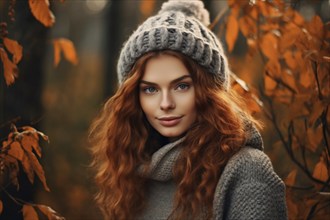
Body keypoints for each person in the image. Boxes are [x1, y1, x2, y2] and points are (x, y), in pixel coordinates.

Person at [89, 0, 288, 219]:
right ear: (133, 98)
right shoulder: (130, 175)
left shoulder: (246, 171)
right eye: (150, 89)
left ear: (209, 93)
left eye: (181, 86)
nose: (166, 103)